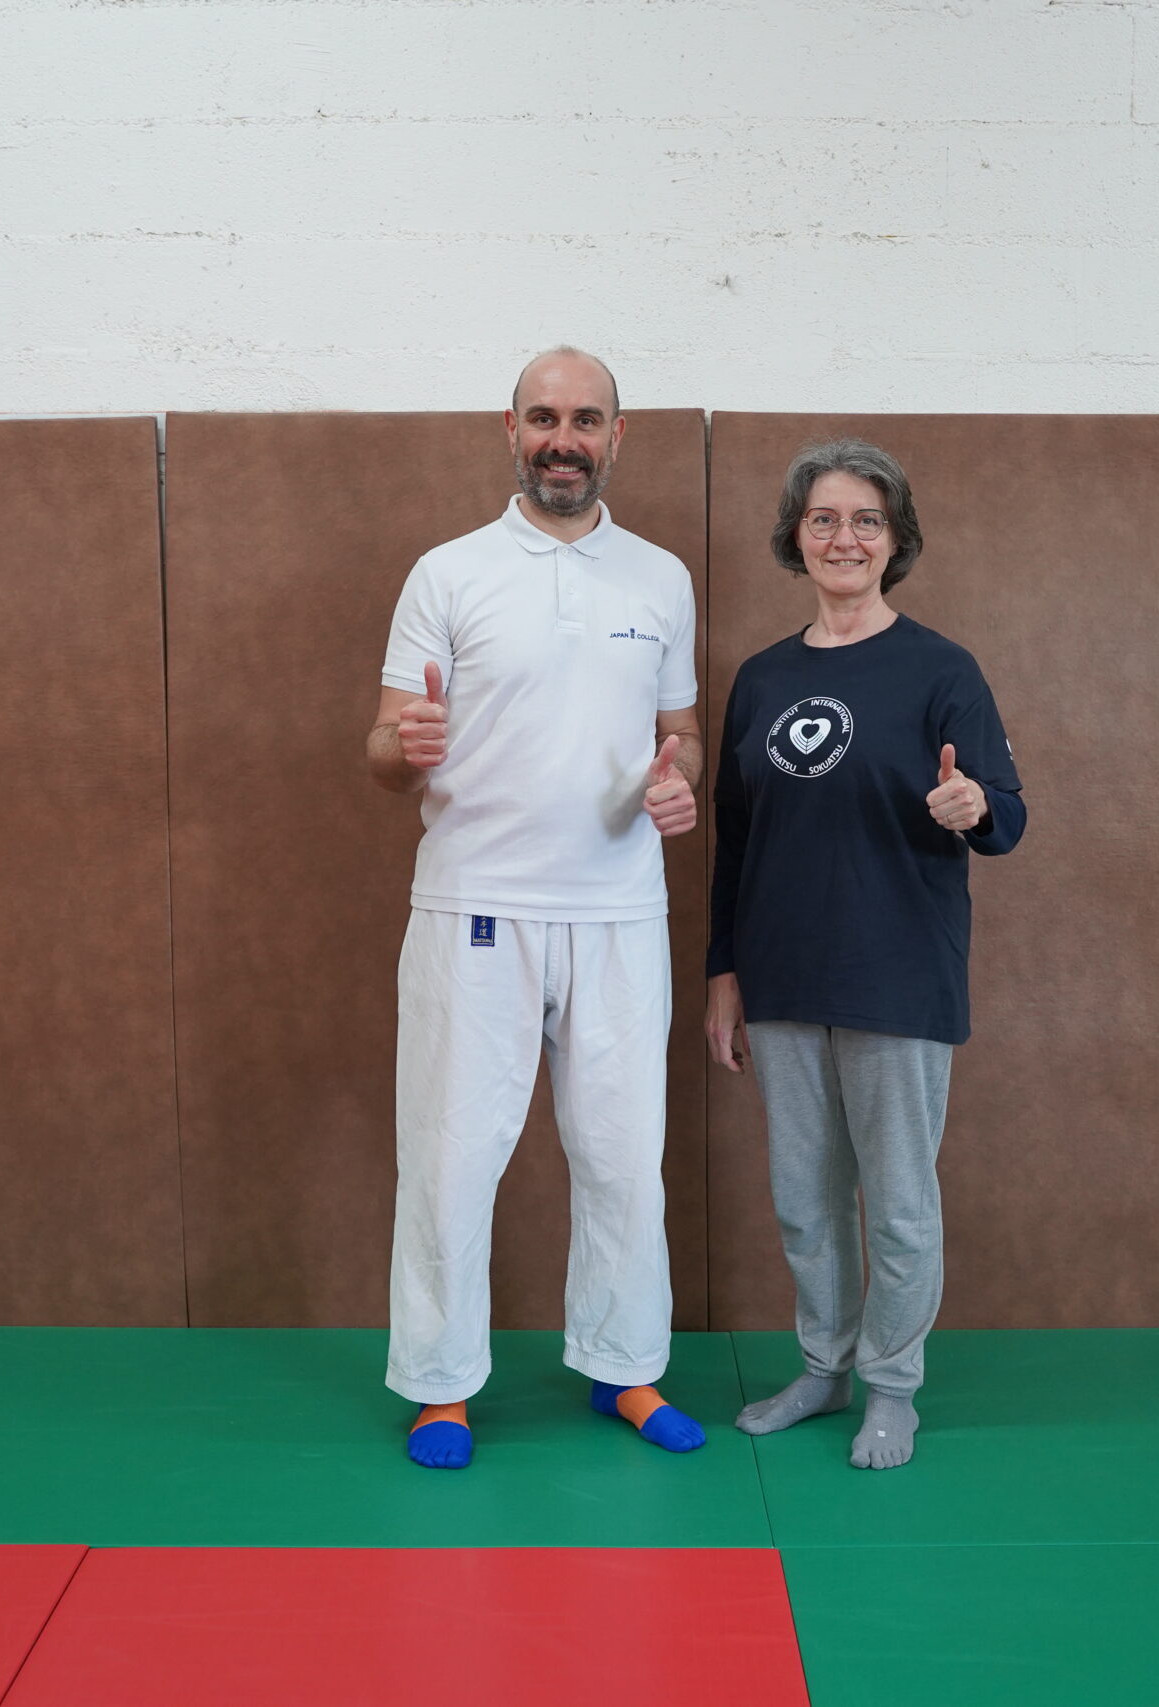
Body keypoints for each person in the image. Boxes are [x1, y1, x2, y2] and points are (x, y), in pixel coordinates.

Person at [367, 347, 708, 1470]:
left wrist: (679, 781)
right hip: (475, 905)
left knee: (623, 1156)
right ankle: (440, 1385)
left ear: (617, 435)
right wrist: (405, 744)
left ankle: (624, 1367)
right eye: (545, 418)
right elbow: (384, 746)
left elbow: (680, 734)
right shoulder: (447, 573)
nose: (565, 439)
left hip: (619, 912)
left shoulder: (660, 578)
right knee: (451, 1156)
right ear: (509, 429)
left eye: (586, 419)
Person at [705, 438, 1025, 1470]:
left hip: (898, 974)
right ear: (796, 537)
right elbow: (735, 842)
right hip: (781, 976)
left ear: (895, 541)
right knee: (804, 1201)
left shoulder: (942, 670)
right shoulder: (761, 679)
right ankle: (823, 1368)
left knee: (895, 1204)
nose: (844, 538)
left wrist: (973, 805)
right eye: (824, 519)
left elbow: (1007, 816)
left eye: (866, 521)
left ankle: (893, 1387)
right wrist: (723, 972)